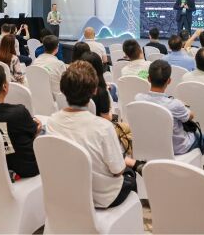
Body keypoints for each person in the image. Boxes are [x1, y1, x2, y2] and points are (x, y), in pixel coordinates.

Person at [47, 61, 145, 208]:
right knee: (129, 174)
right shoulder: (103, 127)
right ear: (94, 90)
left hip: (69, 191)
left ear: (62, 89)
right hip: (103, 197)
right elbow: (118, 170)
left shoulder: (52, 121)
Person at [135, 60, 204, 155]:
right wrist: (183, 106)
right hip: (177, 148)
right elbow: (191, 116)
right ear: (169, 81)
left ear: (149, 79)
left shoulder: (138, 98)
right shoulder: (175, 105)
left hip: (150, 143)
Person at [78, 52, 112, 119]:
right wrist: (111, 111)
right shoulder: (101, 92)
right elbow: (106, 118)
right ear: (99, 67)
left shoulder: (72, 86)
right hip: (98, 123)